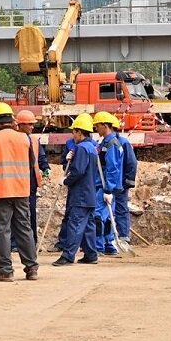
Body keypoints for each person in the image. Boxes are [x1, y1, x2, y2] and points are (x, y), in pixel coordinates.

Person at [0, 102, 40, 281]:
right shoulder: (24, 138)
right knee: (24, 228)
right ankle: (32, 268)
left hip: (0, 190)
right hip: (21, 190)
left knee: (2, 230)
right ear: (12, 119)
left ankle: (6, 271)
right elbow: (31, 162)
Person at [52, 113, 99, 267]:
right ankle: (91, 254)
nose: (73, 135)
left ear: (80, 132)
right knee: (88, 225)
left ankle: (67, 255)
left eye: (74, 132)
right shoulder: (91, 148)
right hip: (90, 194)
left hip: (80, 195)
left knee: (75, 224)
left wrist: (66, 180)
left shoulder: (81, 148)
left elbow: (78, 171)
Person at [12, 109, 50, 251]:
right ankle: (15, 243)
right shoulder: (14, 140)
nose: (32, 127)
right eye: (29, 124)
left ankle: (32, 242)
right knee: (16, 213)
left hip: (31, 181)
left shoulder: (34, 140)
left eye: (33, 124)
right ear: (20, 125)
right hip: (16, 180)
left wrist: (45, 167)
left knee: (31, 212)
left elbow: (40, 157)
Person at [92, 112, 124, 256]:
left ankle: (99, 246)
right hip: (105, 185)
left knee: (98, 215)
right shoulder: (105, 143)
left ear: (105, 126)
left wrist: (108, 190)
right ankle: (108, 244)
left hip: (106, 186)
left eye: (97, 126)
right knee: (107, 216)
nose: (96, 129)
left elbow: (112, 168)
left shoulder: (111, 144)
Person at [112, 116, 138, 249]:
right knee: (109, 211)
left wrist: (127, 182)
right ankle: (111, 238)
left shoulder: (123, 142)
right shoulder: (105, 142)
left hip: (120, 183)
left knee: (121, 209)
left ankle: (123, 237)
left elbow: (131, 163)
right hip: (110, 183)